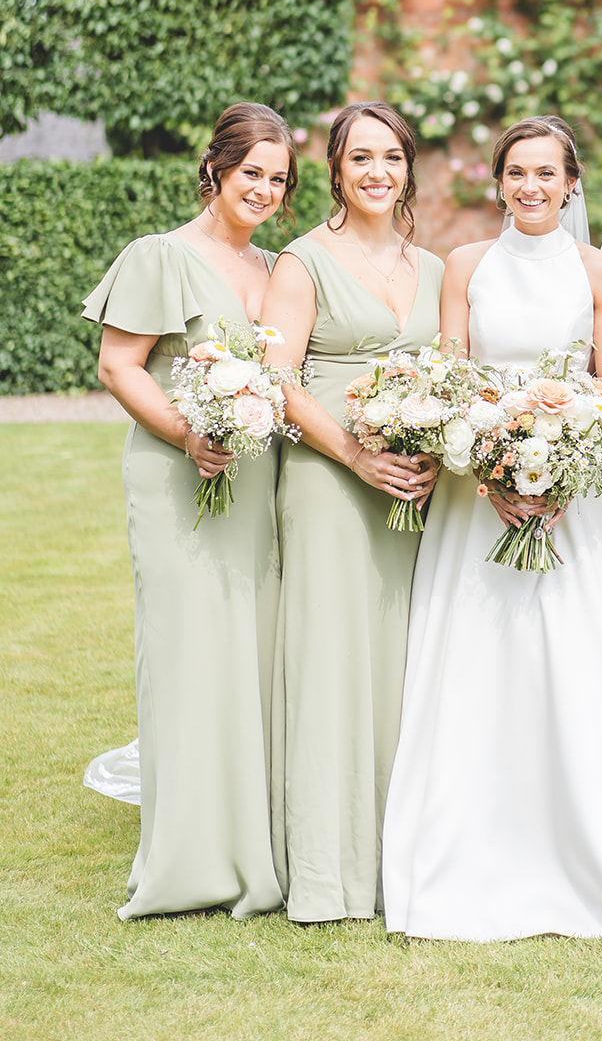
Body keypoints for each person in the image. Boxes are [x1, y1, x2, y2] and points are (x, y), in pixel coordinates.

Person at [382, 116, 602, 941]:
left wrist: (562, 459)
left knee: (581, 661)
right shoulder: (466, 266)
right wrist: (494, 466)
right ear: (498, 182)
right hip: (480, 497)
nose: (531, 187)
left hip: (578, 497)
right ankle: (472, 847)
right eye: (517, 173)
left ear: (570, 183)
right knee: (479, 661)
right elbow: (451, 374)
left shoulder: (599, 271)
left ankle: (592, 844)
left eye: (547, 174)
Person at [82, 102, 298, 919]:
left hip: (254, 482)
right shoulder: (159, 257)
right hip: (181, 479)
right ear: (216, 170)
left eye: (278, 181)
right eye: (252, 175)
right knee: (186, 653)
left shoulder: (277, 268)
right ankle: (185, 854)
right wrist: (188, 435)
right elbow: (118, 366)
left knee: (246, 654)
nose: (265, 192)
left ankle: (249, 842)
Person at [261, 102, 443, 924]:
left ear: (409, 169)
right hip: (332, 480)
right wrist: (356, 455)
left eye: (392, 157)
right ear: (335, 170)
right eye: (359, 157)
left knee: (406, 668)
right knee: (334, 668)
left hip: (414, 488)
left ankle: (402, 862)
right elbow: (280, 380)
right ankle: (330, 873)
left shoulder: (435, 269)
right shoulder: (302, 263)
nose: (377, 172)